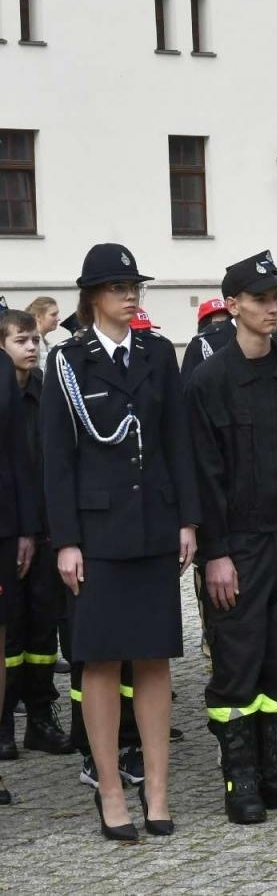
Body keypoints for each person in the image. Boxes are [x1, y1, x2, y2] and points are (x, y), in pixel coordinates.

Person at [40, 244, 196, 839]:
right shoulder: (68, 362)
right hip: (97, 533)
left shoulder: (156, 353)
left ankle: (157, 789)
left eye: (134, 287)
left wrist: (186, 520)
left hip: (154, 523)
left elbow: (176, 441)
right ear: (92, 297)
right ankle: (110, 790)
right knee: (101, 659)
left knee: (154, 656)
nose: (130, 296)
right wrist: (66, 540)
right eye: (118, 287)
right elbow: (57, 459)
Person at [186, 251, 277, 824]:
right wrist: (216, 554)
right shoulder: (209, 381)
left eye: (275, 298)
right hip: (238, 544)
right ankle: (240, 778)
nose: (271, 308)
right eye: (259, 299)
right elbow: (204, 476)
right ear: (233, 306)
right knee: (237, 663)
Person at [1, 309, 72, 760]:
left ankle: (42, 718)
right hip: (11, 527)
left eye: (33, 340)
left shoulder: (46, 391)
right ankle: (4, 723)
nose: (31, 348)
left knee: (44, 629)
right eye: (20, 341)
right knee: (10, 631)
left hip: (46, 526)